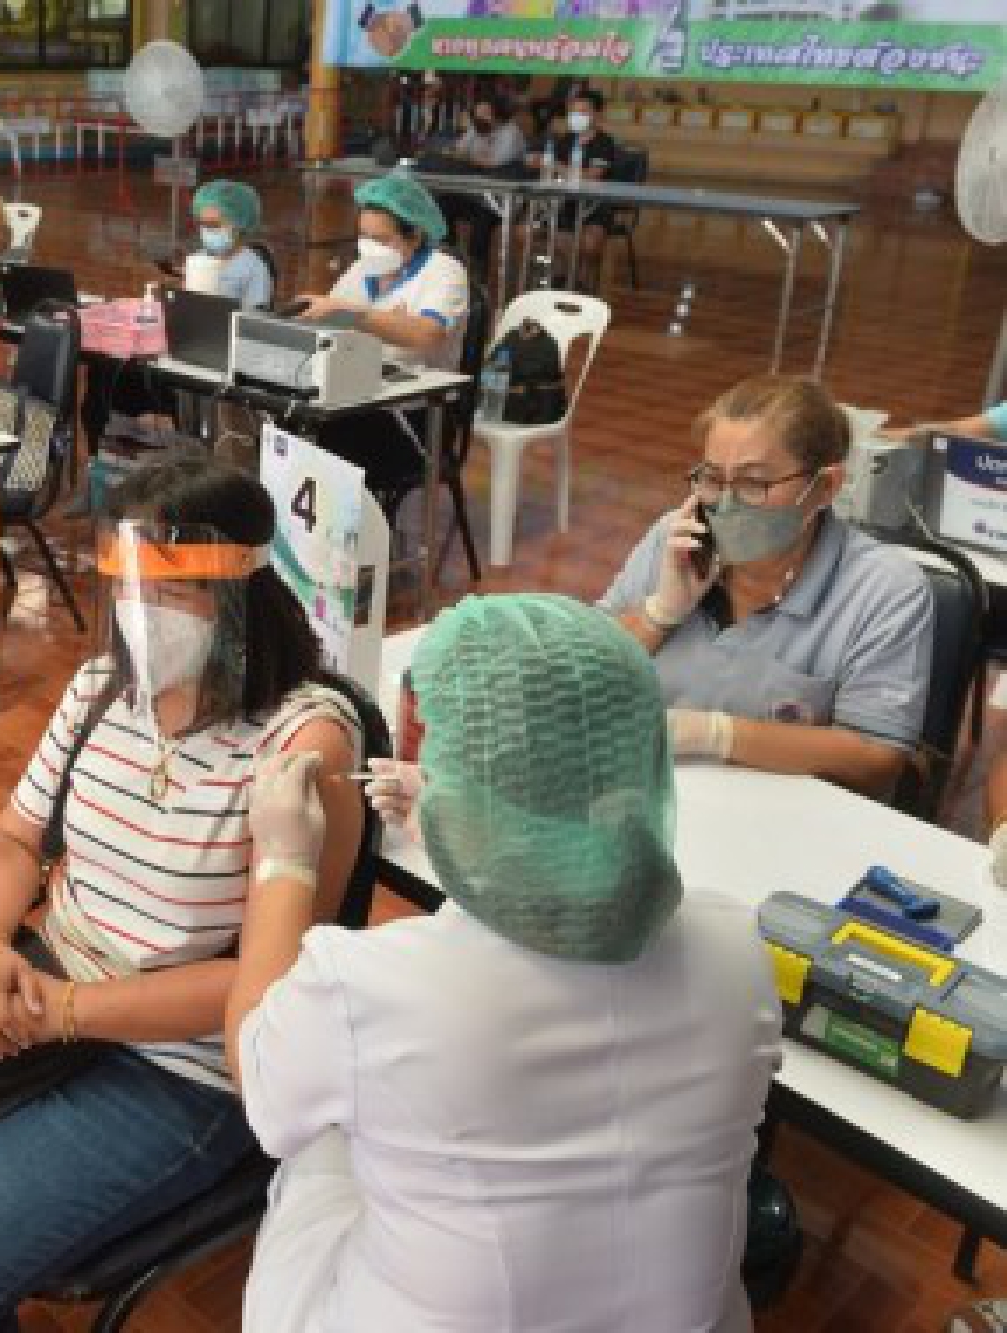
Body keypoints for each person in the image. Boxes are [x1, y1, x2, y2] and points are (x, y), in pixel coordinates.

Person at [0, 447, 367, 1331]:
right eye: (129, 586)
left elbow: (276, 979)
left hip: (181, 1066)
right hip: (40, 984)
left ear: (241, 590)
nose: (141, 613)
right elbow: (16, 838)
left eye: (170, 589)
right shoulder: (105, 687)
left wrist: (66, 1010)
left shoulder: (303, 746)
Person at [234, 592, 783, 1332]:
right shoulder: (735, 947)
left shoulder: (368, 987)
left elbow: (259, 1075)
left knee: (321, 1143)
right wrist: (468, 821)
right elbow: (569, 902)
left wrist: (283, 860)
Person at [598, 374, 934, 799]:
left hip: (788, 822)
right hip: (652, 797)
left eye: (754, 483)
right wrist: (659, 614)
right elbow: (585, 674)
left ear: (825, 487)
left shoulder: (884, 589)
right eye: (713, 479)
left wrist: (714, 734)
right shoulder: (675, 539)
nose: (726, 503)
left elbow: (876, 759)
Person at [293, 169, 470, 509]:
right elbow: (331, 323)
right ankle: (308, 546)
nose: (370, 247)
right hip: (357, 397)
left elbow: (425, 334)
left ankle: (344, 547)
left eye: (381, 239)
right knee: (289, 426)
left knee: (320, 442)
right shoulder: (363, 271)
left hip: (415, 416)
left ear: (414, 235)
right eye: (364, 236)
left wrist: (353, 314)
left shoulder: (443, 272)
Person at [519, 88, 618, 281]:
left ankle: (575, 280)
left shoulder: (604, 142)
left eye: (583, 111)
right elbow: (549, 170)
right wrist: (537, 162)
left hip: (593, 207)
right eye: (573, 112)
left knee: (589, 243)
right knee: (523, 231)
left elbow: (592, 176)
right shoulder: (565, 140)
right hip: (561, 204)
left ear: (597, 114)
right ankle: (553, 274)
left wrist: (553, 164)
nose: (576, 116)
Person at [439, 93, 526, 262]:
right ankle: (448, 257)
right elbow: (458, 150)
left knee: (482, 219)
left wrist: (464, 157)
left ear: (498, 114)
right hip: (474, 194)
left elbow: (492, 163)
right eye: (476, 114)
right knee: (444, 203)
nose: (480, 118)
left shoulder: (511, 133)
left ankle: (477, 270)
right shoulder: (475, 129)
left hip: (499, 200)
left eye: (485, 114)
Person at [188, 179, 273, 312]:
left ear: (239, 225)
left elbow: (255, 318)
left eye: (214, 225)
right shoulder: (197, 260)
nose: (207, 231)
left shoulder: (253, 269)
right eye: (203, 224)